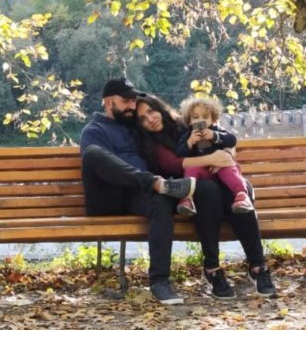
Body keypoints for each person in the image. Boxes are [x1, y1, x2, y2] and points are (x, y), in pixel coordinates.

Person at [135, 94, 276, 299]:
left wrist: (226, 155)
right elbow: (172, 165)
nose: (150, 119)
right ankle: (212, 268)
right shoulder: (151, 143)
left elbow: (227, 139)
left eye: (151, 111)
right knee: (207, 191)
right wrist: (211, 159)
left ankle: (258, 266)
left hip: (220, 179)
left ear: (160, 108)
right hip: (189, 192)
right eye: (142, 118)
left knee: (240, 190)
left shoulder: (189, 121)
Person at [79, 77, 196, 305]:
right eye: (126, 101)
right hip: (107, 198)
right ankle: (154, 183)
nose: (132, 106)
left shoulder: (135, 128)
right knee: (93, 152)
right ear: (108, 103)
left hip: (137, 196)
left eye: (133, 101)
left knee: (161, 201)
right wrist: (151, 181)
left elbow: (168, 132)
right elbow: (99, 169)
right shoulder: (94, 131)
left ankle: (160, 281)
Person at [175, 96, 254, 216]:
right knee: (191, 170)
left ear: (212, 119)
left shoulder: (217, 130)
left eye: (205, 117)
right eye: (195, 117)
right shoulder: (187, 136)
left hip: (222, 169)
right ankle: (186, 199)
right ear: (189, 121)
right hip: (205, 174)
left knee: (229, 167)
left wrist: (215, 136)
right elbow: (180, 155)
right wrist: (190, 143)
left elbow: (232, 140)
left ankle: (241, 195)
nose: (200, 120)